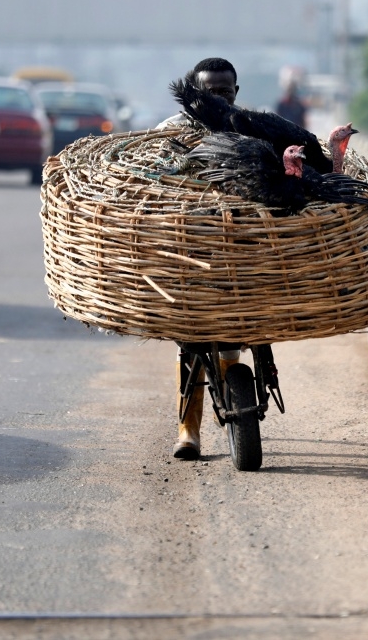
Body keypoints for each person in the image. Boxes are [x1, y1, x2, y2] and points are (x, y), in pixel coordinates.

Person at [157, 57, 243, 460]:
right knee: (190, 341)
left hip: (240, 250)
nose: (219, 99)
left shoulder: (251, 129)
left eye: (226, 92)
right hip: (189, 251)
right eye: (211, 92)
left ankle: (234, 388)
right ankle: (188, 430)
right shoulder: (169, 132)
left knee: (236, 334)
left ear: (236, 93)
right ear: (194, 93)